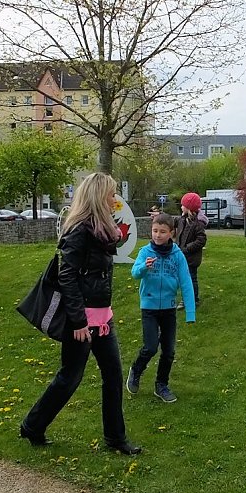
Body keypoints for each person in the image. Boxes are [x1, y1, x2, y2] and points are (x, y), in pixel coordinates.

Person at [21, 173, 141, 455]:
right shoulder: (78, 231)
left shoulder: (102, 230)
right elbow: (68, 277)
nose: (115, 199)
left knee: (113, 374)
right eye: (111, 194)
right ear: (99, 197)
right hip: (83, 320)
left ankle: (116, 438)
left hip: (103, 316)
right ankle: (32, 426)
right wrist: (78, 321)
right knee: (70, 377)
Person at [126, 213, 196, 404]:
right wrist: (143, 268)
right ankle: (136, 370)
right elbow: (134, 273)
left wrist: (190, 311)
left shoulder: (177, 256)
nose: (157, 235)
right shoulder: (145, 252)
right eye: (155, 231)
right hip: (149, 308)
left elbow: (186, 282)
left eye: (162, 232)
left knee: (169, 351)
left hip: (168, 309)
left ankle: (161, 385)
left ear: (171, 234)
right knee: (150, 346)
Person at [175, 192, 207, 307]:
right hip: (182, 256)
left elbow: (201, 240)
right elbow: (173, 222)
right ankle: (188, 298)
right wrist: (160, 217)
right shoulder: (182, 220)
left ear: (188, 207)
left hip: (191, 258)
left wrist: (187, 248)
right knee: (183, 278)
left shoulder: (197, 224)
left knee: (191, 278)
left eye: (183, 205)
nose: (181, 206)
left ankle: (192, 299)